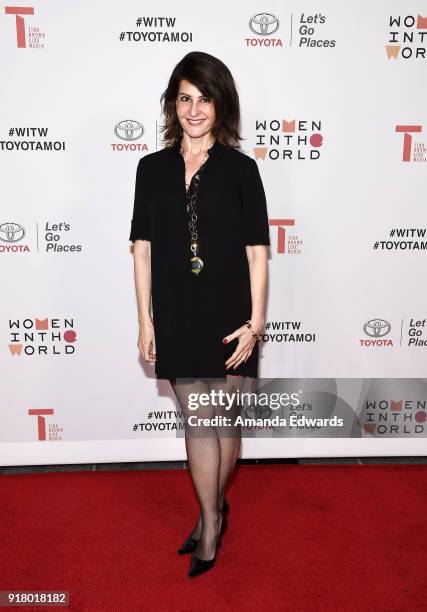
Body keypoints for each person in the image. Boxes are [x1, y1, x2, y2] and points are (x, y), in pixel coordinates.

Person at [129, 51, 270, 577]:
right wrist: (146, 320)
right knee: (199, 419)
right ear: (172, 104)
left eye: (204, 98)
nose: (194, 109)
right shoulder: (150, 168)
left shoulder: (242, 170)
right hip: (178, 312)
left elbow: (258, 251)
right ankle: (211, 519)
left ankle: (213, 510)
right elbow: (141, 247)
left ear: (221, 104)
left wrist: (256, 323)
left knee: (224, 417)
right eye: (185, 98)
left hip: (231, 313)